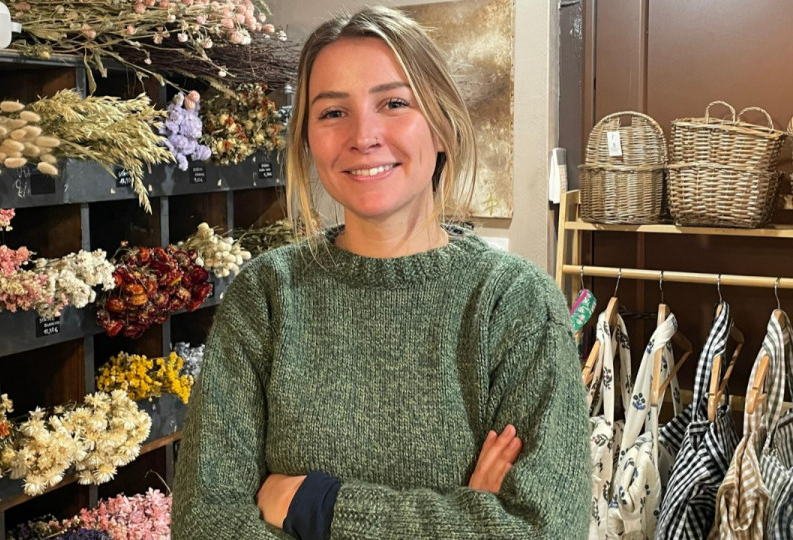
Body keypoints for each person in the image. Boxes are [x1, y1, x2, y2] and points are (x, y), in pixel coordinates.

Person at [172, 6, 590, 539]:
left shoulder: (514, 305)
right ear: (307, 138)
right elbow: (203, 523)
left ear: (441, 126)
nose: (363, 135)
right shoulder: (268, 296)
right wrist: (463, 518)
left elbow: (544, 531)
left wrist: (317, 507)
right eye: (331, 113)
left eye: (393, 103)